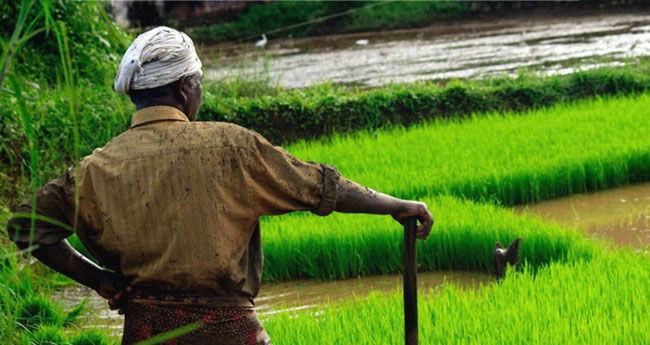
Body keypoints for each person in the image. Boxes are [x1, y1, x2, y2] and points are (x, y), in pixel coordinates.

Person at [6, 27, 434, 345]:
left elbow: (25, 225)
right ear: (185, 88)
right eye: (199, 83)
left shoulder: (94, 169)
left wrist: (100, 279)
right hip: (229, 332)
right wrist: (397, 204)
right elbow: (321, 187)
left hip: (145, 333)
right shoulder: (231, 146)